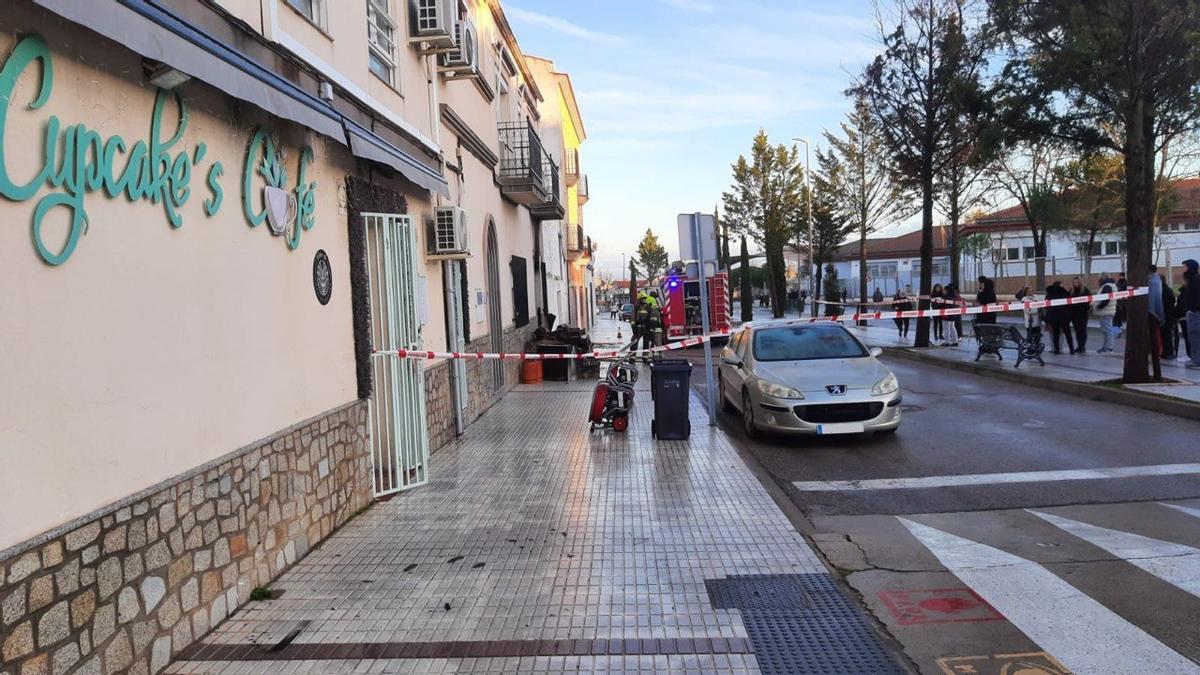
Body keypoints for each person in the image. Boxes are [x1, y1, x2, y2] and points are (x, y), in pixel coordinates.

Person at [1044, 280, 1075, 355]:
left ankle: (1056, 349)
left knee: (1055, 333)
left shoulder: (1050, 294)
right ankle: (1071, 349)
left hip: (1054, 316)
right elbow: (1070, 304)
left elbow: (1046, 306)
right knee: (1068, 333)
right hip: (1064, 316)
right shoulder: (1064, 292)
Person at [1094, 275, 1118, 353]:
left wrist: (1098, 307)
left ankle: (1108, 347)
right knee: (1106, 330)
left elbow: (1105, 299)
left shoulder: (1107, 286)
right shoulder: (1112, 285)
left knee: (1107, 330)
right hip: (1108, 311)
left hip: (1105, 311)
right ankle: (1106, 346)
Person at [1183, 260, 1200, 369]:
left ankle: (1197, 360)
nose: (1183, 269)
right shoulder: (1194, 279)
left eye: (1185, 267)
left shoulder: (1195, 280)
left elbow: (1195, 297)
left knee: (1195, 336)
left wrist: (1191, 309)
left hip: (1195, 313)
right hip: (1194, 311)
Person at [1068, 277, 1091, 353]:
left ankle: (1082, 346)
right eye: (1074, 282)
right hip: (1074, 314)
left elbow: (1088, 303)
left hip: (1083, 314)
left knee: (1082, 330)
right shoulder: (1071, 291)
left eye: (1077, 282)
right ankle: (1079, 346)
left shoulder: (1085, 291)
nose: (1075, 284)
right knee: (1077, 331)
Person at [1162, 275, 1178, 359]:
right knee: (1167, 335)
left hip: (1165, 315)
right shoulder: (1169, 290)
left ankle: (1166, 352)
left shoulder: (1162, 291)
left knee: (1165, 335)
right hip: (1169, 315)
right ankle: (1168, 352)